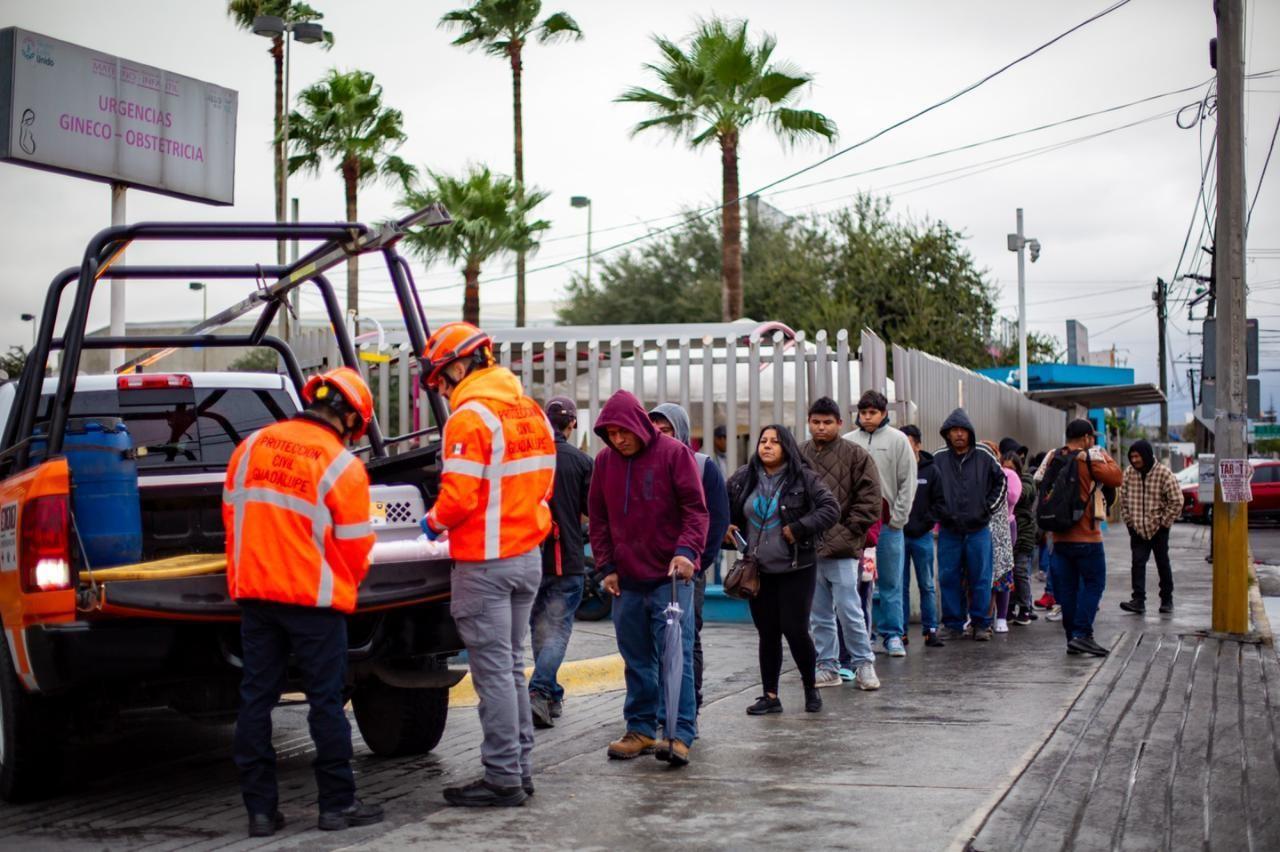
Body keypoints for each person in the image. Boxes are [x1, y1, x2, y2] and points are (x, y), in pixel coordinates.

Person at [223, 367, 383, 837]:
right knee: (325, 702)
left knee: (256, 699)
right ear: (351, 420)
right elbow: (356, 546)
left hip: (255, 595)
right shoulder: (340, 465)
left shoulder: (251, 446)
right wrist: (343, 585)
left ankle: (260, 813)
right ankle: (337, 806)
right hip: (314, 601)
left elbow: (232, 513)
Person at [420, 322, 556, 807]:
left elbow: (457, 498)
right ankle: (518, 770)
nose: (441, 388)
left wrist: (431, 523)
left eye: (441, 378)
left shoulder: (470, 417)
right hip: (526, 559)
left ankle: (502, 778)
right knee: (512, 668)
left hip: (484, 563)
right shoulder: (530, 411)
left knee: (495, 673)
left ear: (459, 365)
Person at [590, 391, 708, 767]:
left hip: (669, 578)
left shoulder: (674, 454)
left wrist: (687, 551)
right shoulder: (604, 462)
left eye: (623, 431)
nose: (618, 439)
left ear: (638, 424)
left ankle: (678, 732)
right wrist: (606, 565)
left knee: (677, 657)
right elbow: (599, 519)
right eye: (610, 433)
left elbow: (695, 510)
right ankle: (640, 728)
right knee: (636, 658)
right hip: (626, 580)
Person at [728, 425, 839, 714]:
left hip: (796, 568)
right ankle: (770, 696)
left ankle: (810, 688)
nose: (766, 446)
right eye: (763, 441)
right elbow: (724, 510)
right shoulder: (743, 477)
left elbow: (830, 508)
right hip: (758, 571)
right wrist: (727, 528)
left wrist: (799, 528)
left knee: (796, 630)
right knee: (767, 632)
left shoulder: (804, 478)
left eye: (774, 442)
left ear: (786, 446)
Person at [649, 402, 730, 710]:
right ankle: (659, 705)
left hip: (687, 570)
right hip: (649, 570)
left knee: (686, 637)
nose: (659, 436)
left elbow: (717, 519)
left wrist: (697, 563)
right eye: (654, 429)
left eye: (666, 430)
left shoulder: (700, 465)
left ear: (680, 431)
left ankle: (688, 704)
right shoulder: (643, 463)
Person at [801, 397, 883, 690]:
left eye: (827, 422)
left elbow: (871, 499)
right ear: (808, 422)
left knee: (850, 610)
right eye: (815, 422)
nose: (821, 428)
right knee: (819, 614)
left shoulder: (856, 455)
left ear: (839, 423)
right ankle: (827, 667)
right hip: (809, 547)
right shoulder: (799, 454)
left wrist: (850, 532)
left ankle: (864, 665)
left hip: (845, 550)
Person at [529, 397, 593, 729]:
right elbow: (592, 513)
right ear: (571, 425)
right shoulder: (582, 462)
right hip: (565, 559)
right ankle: (540, 691)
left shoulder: (528, 458)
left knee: (539, 629)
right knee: (557, 630)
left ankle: (550, 695)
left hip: (527, 559)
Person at [1035, 419, 1123, 657]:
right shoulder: (1090, 457)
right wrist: (1104, 454)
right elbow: (1116, 478)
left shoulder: (1053, 457)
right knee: (1094, 583)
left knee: (1068, 590)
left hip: (1059, 538)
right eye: (1091, 438)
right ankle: (1083, 634)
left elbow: (1038, 481)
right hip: (1087, 537)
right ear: (1086, 438)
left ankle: (1071, 638)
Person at [846, 390, 916, 657]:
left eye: (872, 412)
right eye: (863, 413)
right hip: (856, 526)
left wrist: (898, 519)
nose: (867, 417)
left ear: (884, 413)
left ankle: (892, 634)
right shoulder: (848, 442)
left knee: (891, 581)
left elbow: (908, 482)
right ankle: (863, 635)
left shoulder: (898, 441)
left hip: (888, 526)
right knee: (855, 583)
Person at [928, 409, 1006, 642]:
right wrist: (940, 513)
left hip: (979, 529)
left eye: (963, 430)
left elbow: (1001, 480)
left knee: (980, 578)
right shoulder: (938, 457)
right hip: (949, 531)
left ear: (970, 433)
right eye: (954, 431)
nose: (959, 434)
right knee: (948, 577)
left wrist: (987, 508)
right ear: (947, 434)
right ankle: (953, 624)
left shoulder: (984, 455)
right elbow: (929, 489)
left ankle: (981, 625)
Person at [1118, 439, 1182, 615]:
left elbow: (1177, 501)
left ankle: (1167, 600)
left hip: (1159, 529)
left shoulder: (1163, 473)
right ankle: (1138, 601)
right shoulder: (1129, 473)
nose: (1135, 460)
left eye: (1137, 456)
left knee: (1162, 563)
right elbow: (1122, 501)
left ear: (1146, 455)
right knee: (1137, 563)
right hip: (1137, 529)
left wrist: (1164, 524)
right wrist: (1130, 524)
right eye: (1132, 457)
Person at [900, 425, 943, 647]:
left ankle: (931, 630)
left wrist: (925, 524)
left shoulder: (931, 471)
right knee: (900, 585)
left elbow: (939, 504)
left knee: (926, 584)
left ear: (918, 445)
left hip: (923, 537)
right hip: (899, 535)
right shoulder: (895, 470)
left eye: (907, 443)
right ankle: (900, 633)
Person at [980, 440, 1018, 634]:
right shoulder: (975, 474)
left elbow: (1013, 497)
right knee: (980, 577)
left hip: (1004, 529)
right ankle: (980, 616)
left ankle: (1001, 617)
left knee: (1002, 574)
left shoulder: (1006, 474)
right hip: (980, 530)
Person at [1005, 450, 1039, 626]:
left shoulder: (1026, 480)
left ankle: (1025, 607)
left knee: (1020, 572)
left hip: (1024, 534)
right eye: (1005, 468)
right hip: (1005, 534)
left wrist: (1010, 483)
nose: (1008, 472)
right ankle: (1008, 607)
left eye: (1012, 469)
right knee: (1006, 573)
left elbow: (1022, 494)